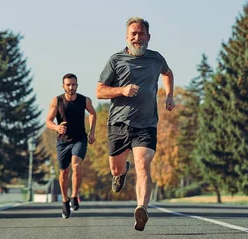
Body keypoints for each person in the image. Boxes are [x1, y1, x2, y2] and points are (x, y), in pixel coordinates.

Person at [96, 17, 174, 231]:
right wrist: (121, 90)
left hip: (146, 124)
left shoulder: (156, 59)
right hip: (118, 123)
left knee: (143, 163)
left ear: (149, 37)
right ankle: (120, 173)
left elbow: (168, 73)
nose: (137, 38)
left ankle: (142, 208)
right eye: (134, 34)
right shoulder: (116, 60)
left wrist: (169, 95)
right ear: (127, 36)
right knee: (115, 167)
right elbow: (99, 91)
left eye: (141, 34)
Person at [46, 73, 97, 219]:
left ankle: (74, 195)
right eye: (68, 85)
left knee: (76, 165)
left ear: (77, 85)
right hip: (63, 142)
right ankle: (65, 200)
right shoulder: (57, 101)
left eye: (73, 84)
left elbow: (92, 113)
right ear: (63, 86)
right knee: (64, 172)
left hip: (80, 139)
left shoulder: (84, 100)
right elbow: (48, 121)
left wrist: (92, 132)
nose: (71, 87)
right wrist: (57, 128)